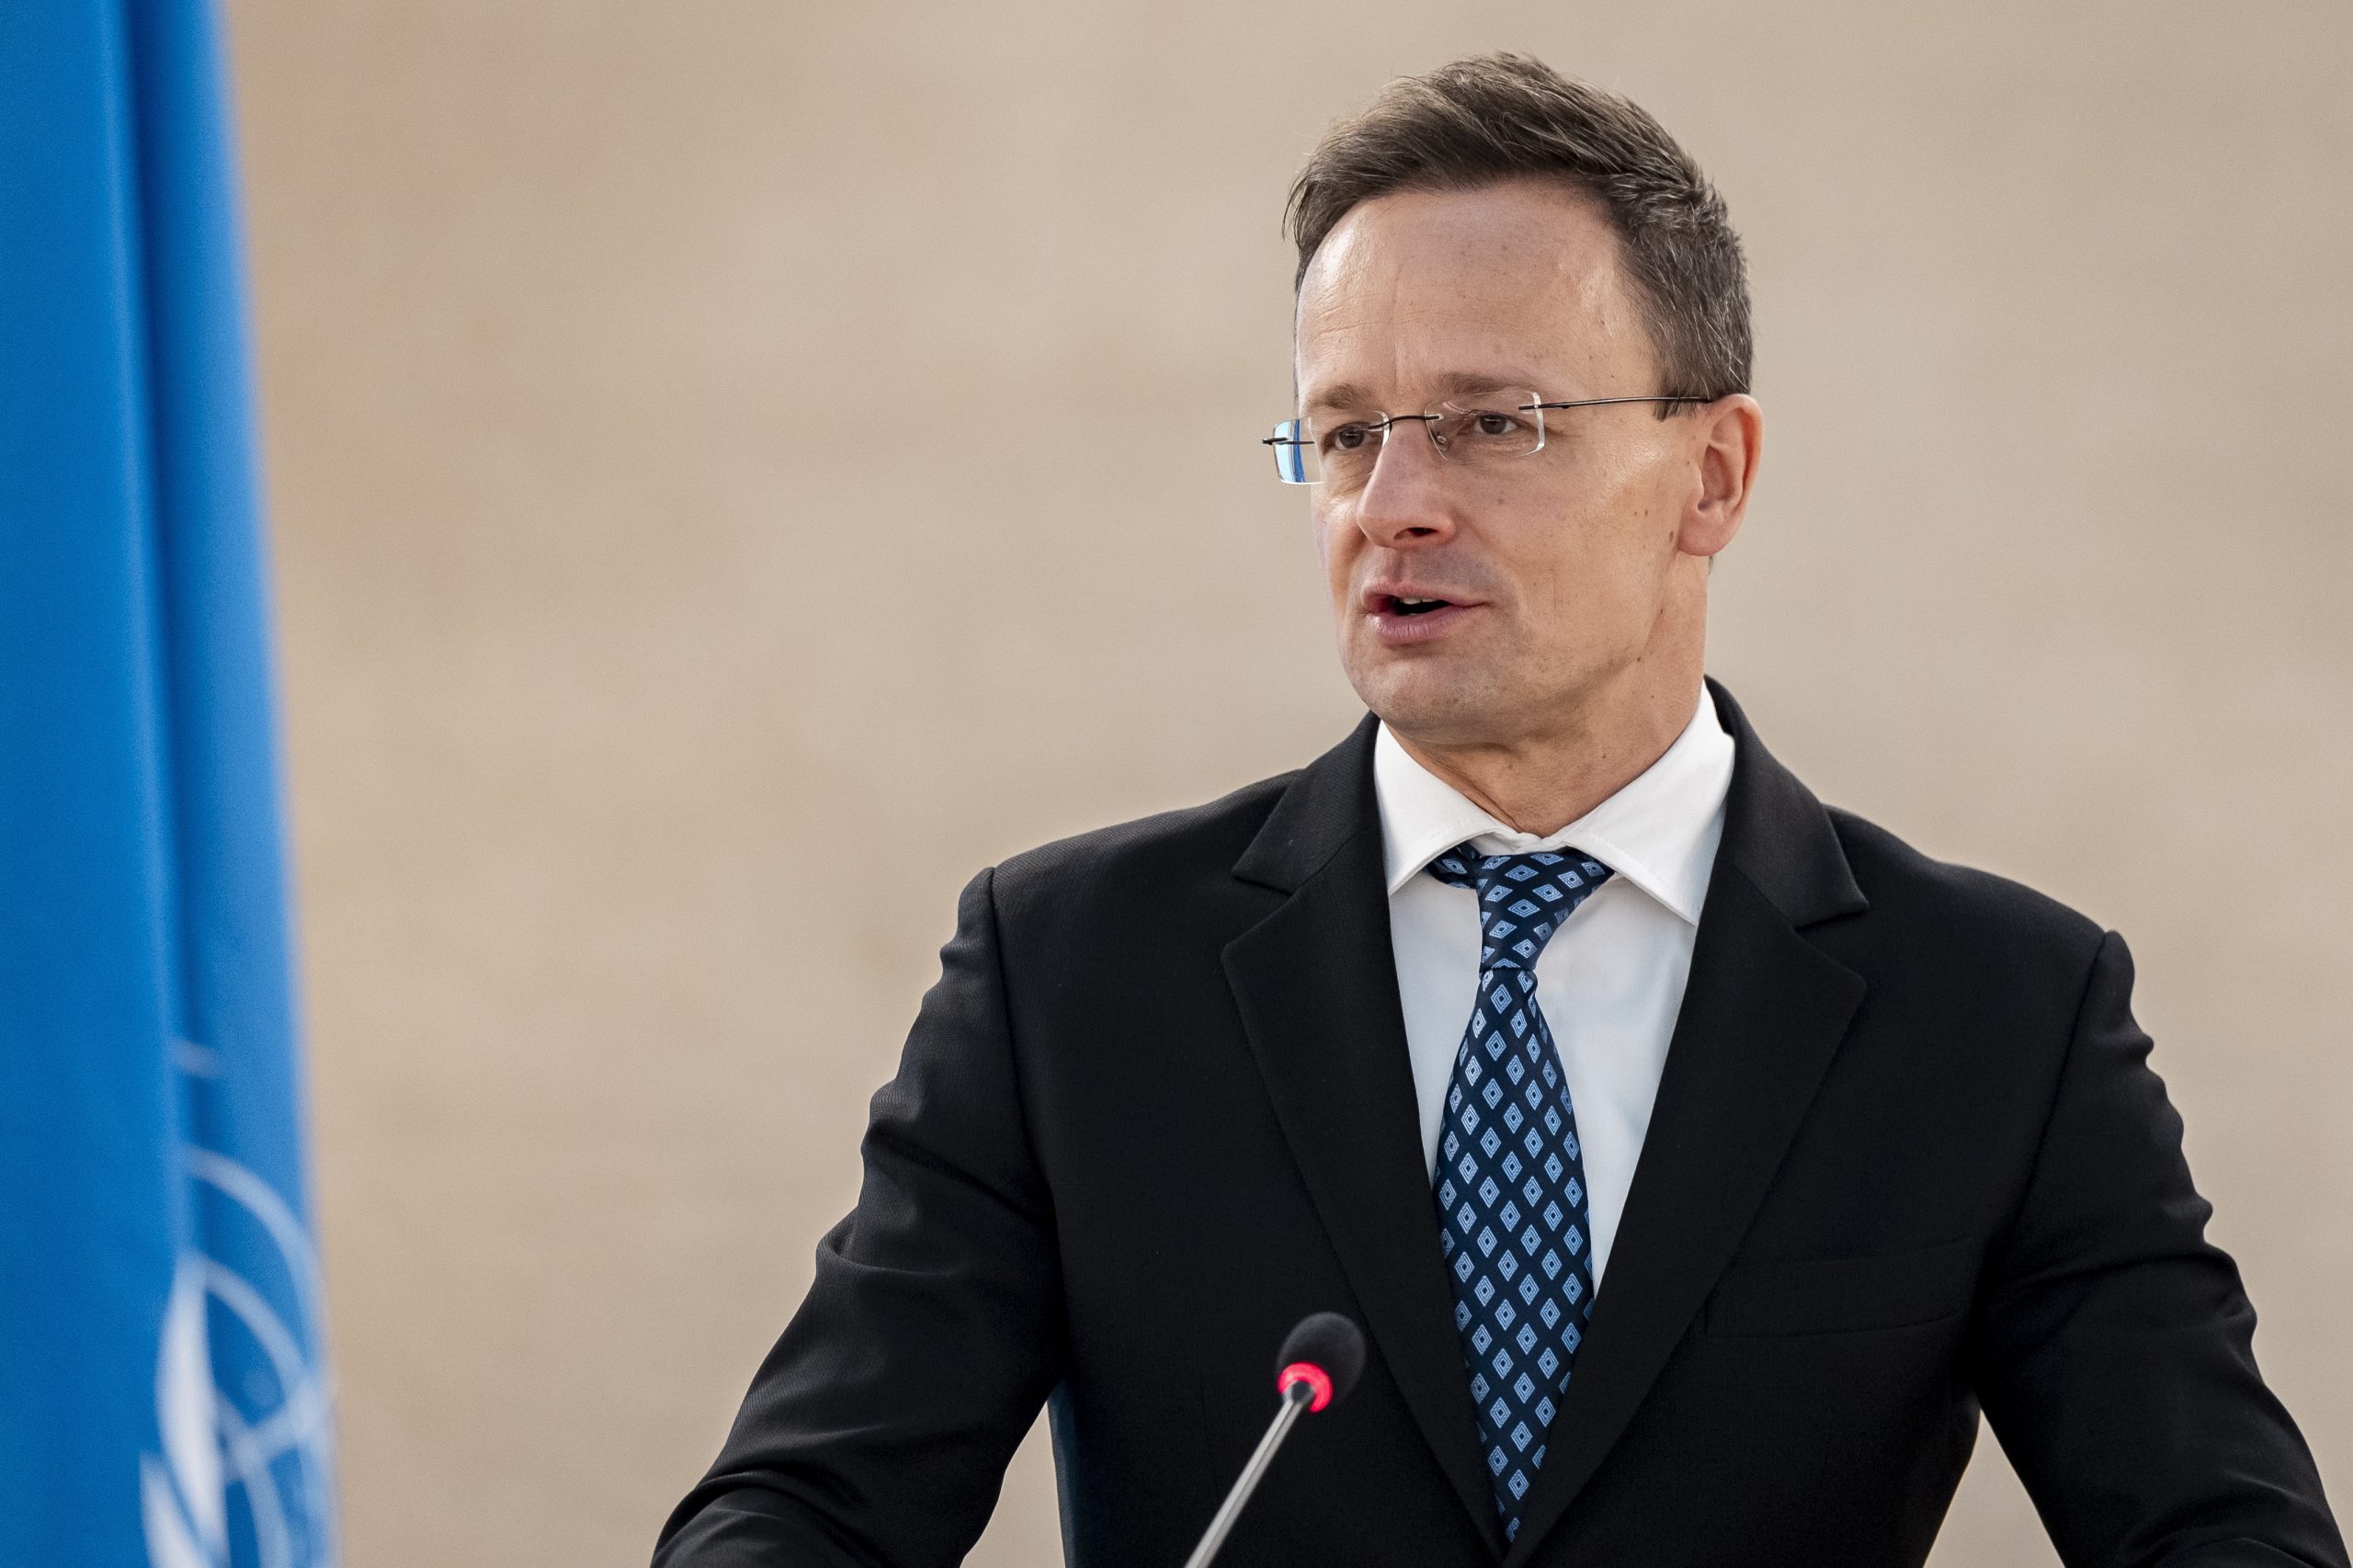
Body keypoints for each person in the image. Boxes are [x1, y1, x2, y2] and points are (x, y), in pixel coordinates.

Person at [654, 54, 2343, 1568]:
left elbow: (2222, 1530)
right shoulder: (1068, 974)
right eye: (1344, 434)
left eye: (1490, 424)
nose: (1393, 504)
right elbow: (804, 1511)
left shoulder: (1999, 1011)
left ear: (1714, 474)